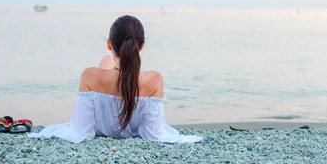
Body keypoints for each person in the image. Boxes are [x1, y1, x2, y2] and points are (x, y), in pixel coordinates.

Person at [28, 15, 202, 143]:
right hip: (131, 82)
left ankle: (114, 67)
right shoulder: (154, 79)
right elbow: (153, 134)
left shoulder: (89, 75)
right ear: (141, 46)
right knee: (107, 63)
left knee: (106, 62)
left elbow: (81, 130)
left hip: (104, 85)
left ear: (109, 44)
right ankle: (116, 68)